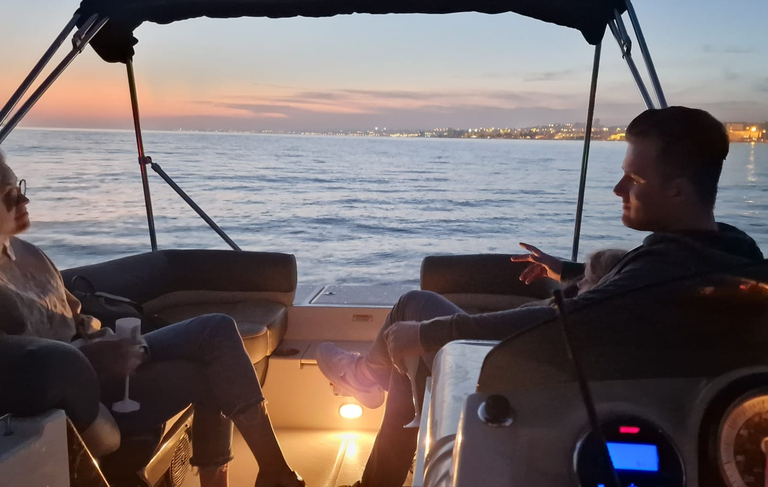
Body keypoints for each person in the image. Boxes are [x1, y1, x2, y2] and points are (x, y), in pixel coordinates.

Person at [316, 106, 765, 487]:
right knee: (413, 332)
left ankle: (364, 383)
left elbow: (564, 318)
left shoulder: (655, 274)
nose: (618, 190)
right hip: (602, 371)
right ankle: (371, 401)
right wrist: (568, 271)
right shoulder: (734, 251)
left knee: (413, 314)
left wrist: (431, 334)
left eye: (634, 179)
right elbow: (633, 283)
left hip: (539, 377)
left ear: (678, 190)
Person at [0, 154, 303, 487]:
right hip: (82, 387)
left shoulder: (28, 253)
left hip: (99, 352)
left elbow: (74, 314)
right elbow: (19, 366)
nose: (24, 199)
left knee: (216, 330)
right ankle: (276, 476)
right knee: (212, 364)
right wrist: (90, 360)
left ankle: (272, 473)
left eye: (20, 187)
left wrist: (106, 339)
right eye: (9, 195)